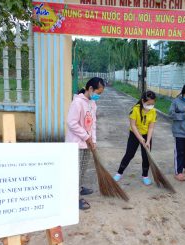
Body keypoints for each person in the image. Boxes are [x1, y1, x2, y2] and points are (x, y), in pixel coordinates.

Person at [65, 77, 105, 210]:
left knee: (82, 169)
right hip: (76, 143)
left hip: (86, 143)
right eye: (98, 93)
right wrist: (86, 137)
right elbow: (71, 123)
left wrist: (93, 140)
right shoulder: (77, 103)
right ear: (90, 89)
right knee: (75, 171)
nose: (98, 96)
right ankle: (73, 198)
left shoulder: (92, 103)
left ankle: (79, 188)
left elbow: (92, 123)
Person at [113, 91, 157, 186]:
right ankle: (119, 173)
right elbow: (133, 126)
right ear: (143, 101)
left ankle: (145, 176)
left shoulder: (153, 111)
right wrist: (140, 138)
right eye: (148, 104)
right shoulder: (135, 110)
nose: (150, 106)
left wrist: (148, 140)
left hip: (146, 135)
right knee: (129, 154)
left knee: (146, 156)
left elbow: (151, 127)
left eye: (152, 104)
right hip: (135, 134)